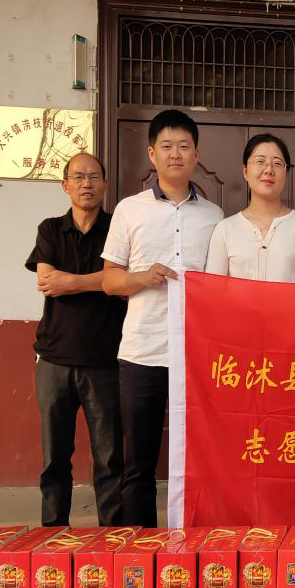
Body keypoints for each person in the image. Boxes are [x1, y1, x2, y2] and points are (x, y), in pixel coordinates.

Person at [101, 109, 224, 527]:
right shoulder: (129, 210)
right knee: (139, 463)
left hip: (197, 357)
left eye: (184, 146)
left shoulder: (214, 216)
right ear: (152, 154)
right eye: (167, 146)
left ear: (196, 155)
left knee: (202, 458)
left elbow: (222, 286)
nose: (176, 154)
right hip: (143, 352)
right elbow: (109, 281)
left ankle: (198, 542)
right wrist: (140, 277)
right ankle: (140, 548)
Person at [25, 153, 126, 526]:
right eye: (79, 177)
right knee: (54, 457)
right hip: (54, 360)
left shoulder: (118, 230)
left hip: (106, 361)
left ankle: (113, 535)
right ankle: (53, 531)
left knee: (110, 458)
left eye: (94, 177)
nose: (87, 184)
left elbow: (122, 282)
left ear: (104, 184)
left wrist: (73, 281)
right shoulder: (50, 229)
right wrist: (101, 281)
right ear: (65, 185)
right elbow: (47, 282)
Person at [206, 134, 295, 283]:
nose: (269, 170)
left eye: (277, 163)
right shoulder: (225, 229)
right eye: (260, 162)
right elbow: (213, 289)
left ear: (286, 173)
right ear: (245, 171)